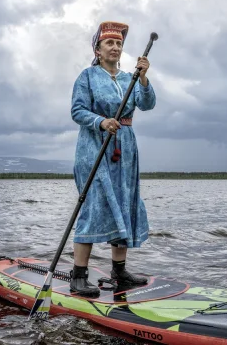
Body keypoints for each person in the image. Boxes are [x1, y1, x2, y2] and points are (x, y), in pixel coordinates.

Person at [69, 21, 156, 297]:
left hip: (125, 150)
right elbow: (77, 110)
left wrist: (142, 78)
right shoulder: (87, 77)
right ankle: (79, 276)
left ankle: (119, 272)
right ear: (97, 49)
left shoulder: (129, 78)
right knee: (94, 205)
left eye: (119, 44)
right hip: (95, 147)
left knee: (125, 202)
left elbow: (147, 103)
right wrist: (101, 122)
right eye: (110, 43)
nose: (116, 47)